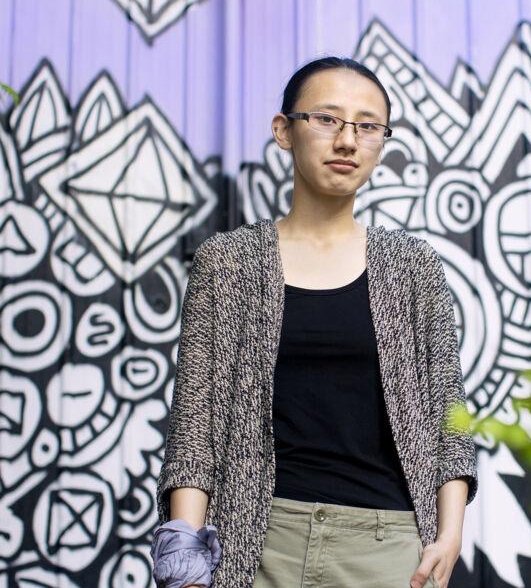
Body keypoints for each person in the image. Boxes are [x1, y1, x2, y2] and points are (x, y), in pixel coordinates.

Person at [150, 57, 478, 588]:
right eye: (327, 119)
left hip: (385, 546)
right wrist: (184, 558)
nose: (347, 140)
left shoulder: (413, 267)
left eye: (367, 126)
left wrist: (449, 534)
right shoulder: (227, 262)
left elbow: (448, 411)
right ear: (284, 131)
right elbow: (196, 424)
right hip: (253, 542)